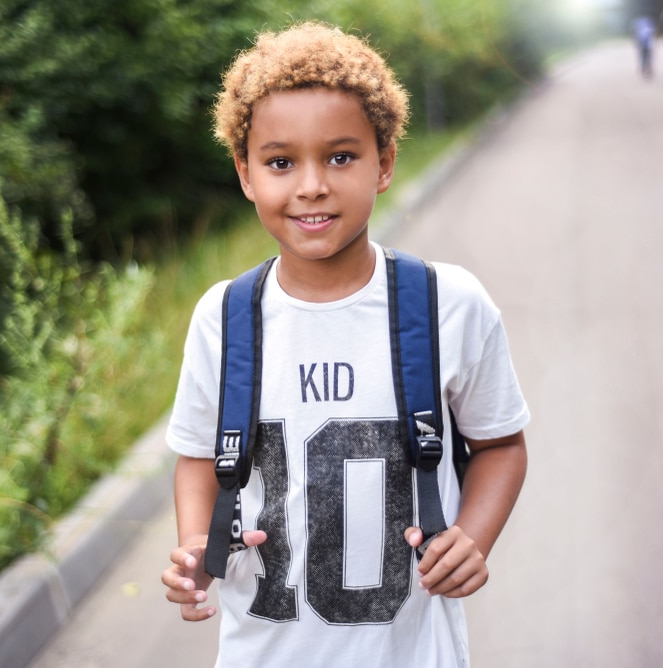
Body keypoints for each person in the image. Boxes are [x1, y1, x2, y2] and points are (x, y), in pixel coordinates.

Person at [160, 21, 530, 668]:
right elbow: (197, 455)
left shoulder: (448, 304)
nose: (311, 185)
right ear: (246, 174)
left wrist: (472, 538)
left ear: (384, 163)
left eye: (340, 156)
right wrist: (197, 545)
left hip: (413, 653)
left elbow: (499, 444)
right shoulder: (224, 317)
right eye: (280, 162)